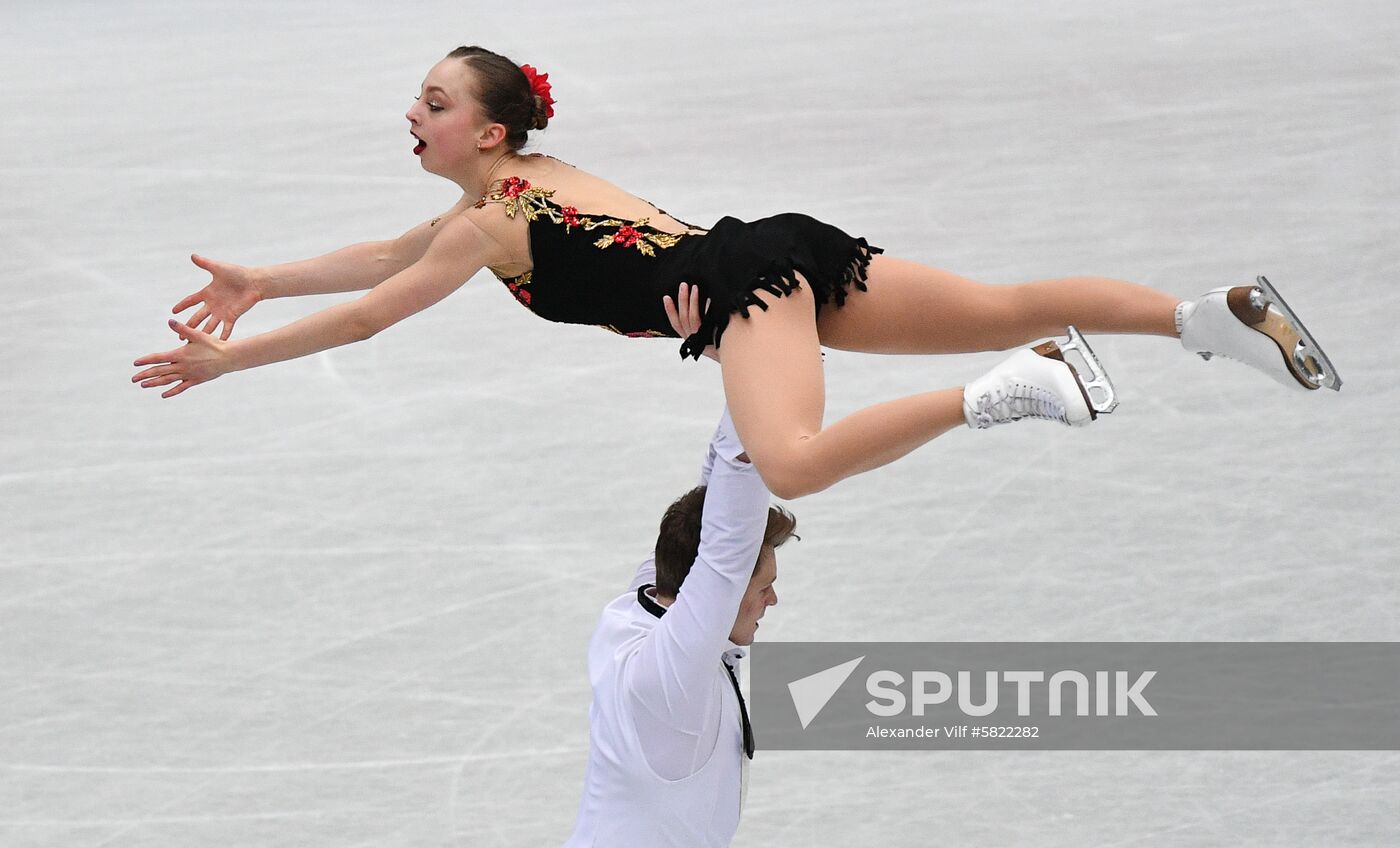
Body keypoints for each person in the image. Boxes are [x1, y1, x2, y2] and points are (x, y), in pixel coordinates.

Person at [131, 45, 1341, 500]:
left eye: (434, 102)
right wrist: (260, 278)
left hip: (746, 290)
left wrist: (227, 361)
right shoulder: (527, 185)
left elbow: (373, 316)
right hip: (780, 244)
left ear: (488, 133)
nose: (415, 111)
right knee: (1010, 293)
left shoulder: (488, 222)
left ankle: (1017, 384)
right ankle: (1207, 316)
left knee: (790, 465)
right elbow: (384, 254)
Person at [564, 406, 789, 847]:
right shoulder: (669, 680)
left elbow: (718, 493)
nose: (773, 600)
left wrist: (760, 371)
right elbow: (725, 548)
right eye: (763, 587)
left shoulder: (643, 604)